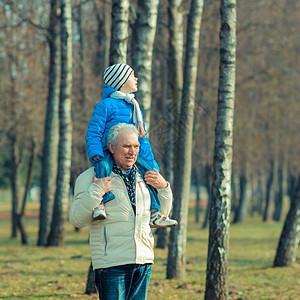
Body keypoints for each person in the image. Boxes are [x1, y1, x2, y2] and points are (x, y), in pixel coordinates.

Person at [69, 124, 176, 300]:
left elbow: (159, 215)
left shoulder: (146, 175)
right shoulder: (90, 177)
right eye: (126, 146)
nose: (132, 152)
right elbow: (76, 219)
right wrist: (96, 190)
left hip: (143, 261)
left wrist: (164, 188)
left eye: (136, 146)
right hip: (112, 264)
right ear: (111, 147)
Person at [86, 63, 177, 228]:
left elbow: (142, 137)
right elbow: (94, 131)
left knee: (149, 175)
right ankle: (99, 205)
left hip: (131, 152)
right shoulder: (104, 106)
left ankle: (155, 213)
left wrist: (150, 162)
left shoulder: (134, 106)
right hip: (108, 150)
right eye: (131, 76)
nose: (136, 79)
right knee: (103, 167)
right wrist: (96, 153)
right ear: (119, 80)